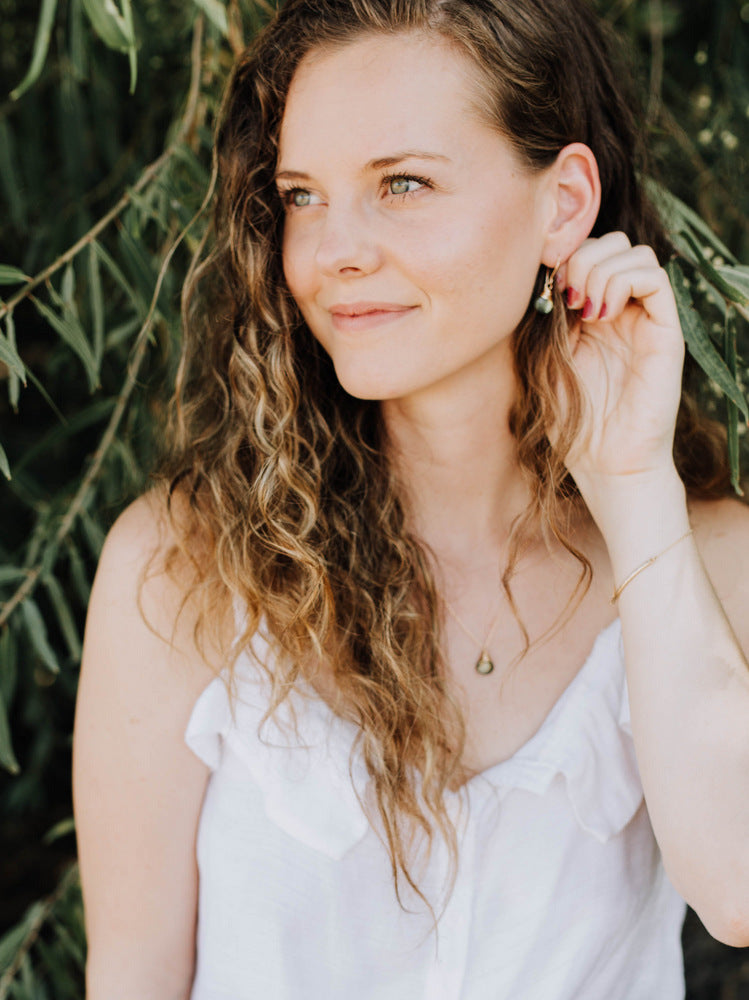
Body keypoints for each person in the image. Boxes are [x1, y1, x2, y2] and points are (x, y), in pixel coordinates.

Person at [72, 0, 749, 997]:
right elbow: (130, 978)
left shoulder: (702, 558)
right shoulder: (182, 572)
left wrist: (630, 481)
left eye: (401, 183)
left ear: (562, 204)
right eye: (302, 195)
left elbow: (735, 889)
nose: (333, 250)